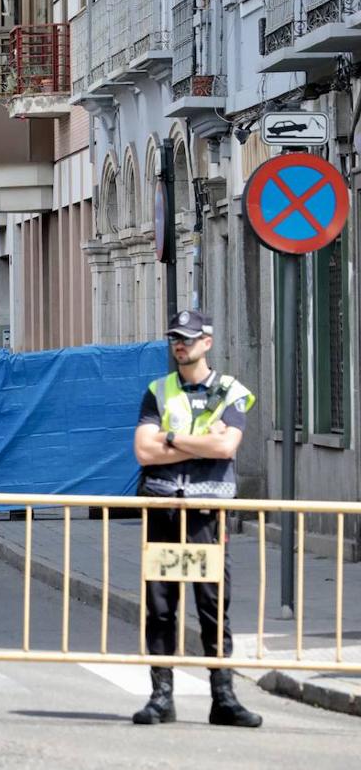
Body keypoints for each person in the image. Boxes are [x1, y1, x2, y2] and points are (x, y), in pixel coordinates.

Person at [131, 309, 262, 728]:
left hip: (207, 513)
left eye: (187, 338)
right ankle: (160, 697)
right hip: (163, 509)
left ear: (207, 342)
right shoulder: (158, 390)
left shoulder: (231, 391)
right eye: (175, 338)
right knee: (161, 607)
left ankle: (223, 699)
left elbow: (227, 449)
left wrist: (168, 439)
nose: (180, 345)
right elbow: (143, 452)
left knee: (212, 607)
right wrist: (198, 441)